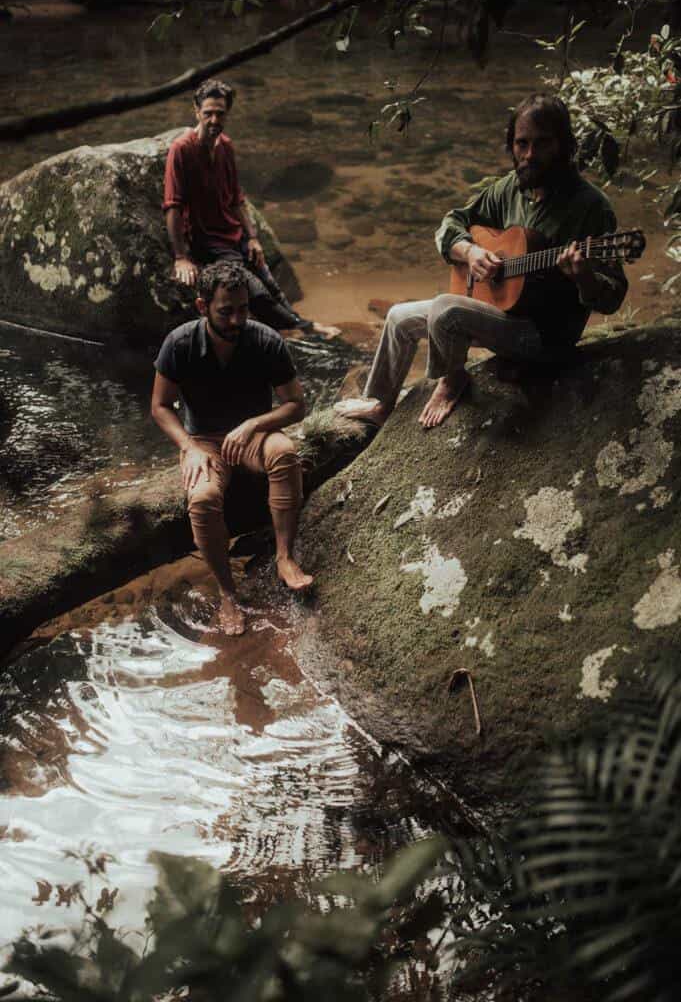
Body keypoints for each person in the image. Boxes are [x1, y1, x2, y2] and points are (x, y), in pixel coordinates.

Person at [337, 93, 628, 429]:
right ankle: (380, 403)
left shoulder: (590, 206)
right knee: (398, 317)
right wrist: (471, 252)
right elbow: (451, 223)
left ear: (564, 145)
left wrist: (584, 278)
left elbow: (614, 294)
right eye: (521, 143)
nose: (529, 154)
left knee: (447, 310)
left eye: (542, 143)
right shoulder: (509, 189)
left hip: (542, 337)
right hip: (498, 314)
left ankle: (452, 380)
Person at [151, 259, 313, 636]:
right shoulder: (179, 344)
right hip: (204, 442)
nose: (237, 320)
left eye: (243, 309)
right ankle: (227, 592)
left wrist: (255, 424)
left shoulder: (266, 340)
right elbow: (160, 406)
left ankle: (285, 557)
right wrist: (189, 448)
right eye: (226, 311)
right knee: (204, 498)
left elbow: (296, 404)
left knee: (285, 454)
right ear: (202, 307)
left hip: (254, 435)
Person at [163, 79, 337, 337]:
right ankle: (305, 328)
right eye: (208, 113)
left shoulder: (226, 145)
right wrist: (180, 257)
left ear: (227, 114)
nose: (214, 120)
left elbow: (237, 199)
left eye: (220, 114)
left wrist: (253, 238)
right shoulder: (181, 150)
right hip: (209, 243)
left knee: (270, 282)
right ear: (196, 112)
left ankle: (302, 325)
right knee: (255, 292)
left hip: (235, 235)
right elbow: (172, 207)